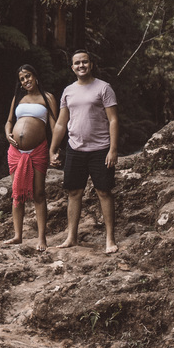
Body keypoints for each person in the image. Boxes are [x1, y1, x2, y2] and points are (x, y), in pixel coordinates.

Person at [49, 49, 120, 253]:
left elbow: (113, 120)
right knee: (74, 192)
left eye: (85, 62)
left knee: (104, 192)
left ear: (91, 64)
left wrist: (113, 150)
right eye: (77, 63)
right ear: (72, 68)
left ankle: (110, 239)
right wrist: (53, 149)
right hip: (75, 148)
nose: (81, 66)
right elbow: (62, 123)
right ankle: (71, 237)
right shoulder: (68, 91)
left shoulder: (104, 88)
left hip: (100, 149)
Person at [2, 64, 57, 251]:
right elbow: (9, 121)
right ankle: (18, 236)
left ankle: (42, 238)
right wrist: (8, 133)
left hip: (37, 150)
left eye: (28, 76)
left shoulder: (47, 98)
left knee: (39, 194)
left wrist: (54, 150)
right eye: (22, 79)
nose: (26, 81)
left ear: (35, 76)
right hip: (15, 152)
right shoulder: (18, 98)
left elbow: (54, 127)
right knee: (17, 194)